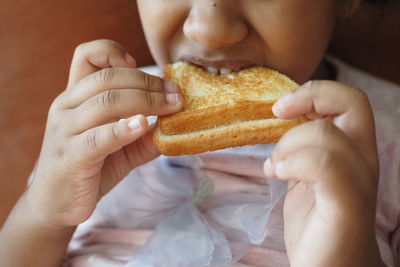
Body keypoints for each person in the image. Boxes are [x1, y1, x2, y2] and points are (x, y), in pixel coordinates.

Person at [0, 0, 398, 266]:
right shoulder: (97, 116)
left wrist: (346, 253)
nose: (209, 29)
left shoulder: (384, 137)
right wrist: (43, 215)